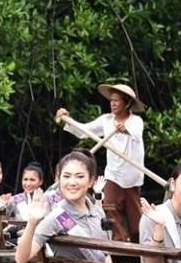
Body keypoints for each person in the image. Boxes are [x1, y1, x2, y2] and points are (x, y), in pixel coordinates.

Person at [15, 150, 122, 263]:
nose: (72, 182)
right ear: (58, 180)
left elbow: (105, 254)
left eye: (79, 176)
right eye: (66, 176)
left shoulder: (97, 211)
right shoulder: (56, 217)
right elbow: (21, 258)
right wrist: (32, 222)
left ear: (91, 181)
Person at [56, 83, 145, 243]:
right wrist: (66, 119)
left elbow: (136, 135)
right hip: (113, 174)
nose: (113, 103)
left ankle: (140, 245)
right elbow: (84, 131)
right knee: (109, 207)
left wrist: (123, 129)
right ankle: (117, 243)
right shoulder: (106, 120)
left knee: (135, 220)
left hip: (132, 175)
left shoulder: (135, 121)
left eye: (117, 100)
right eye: (111, 100)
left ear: (127, 103)